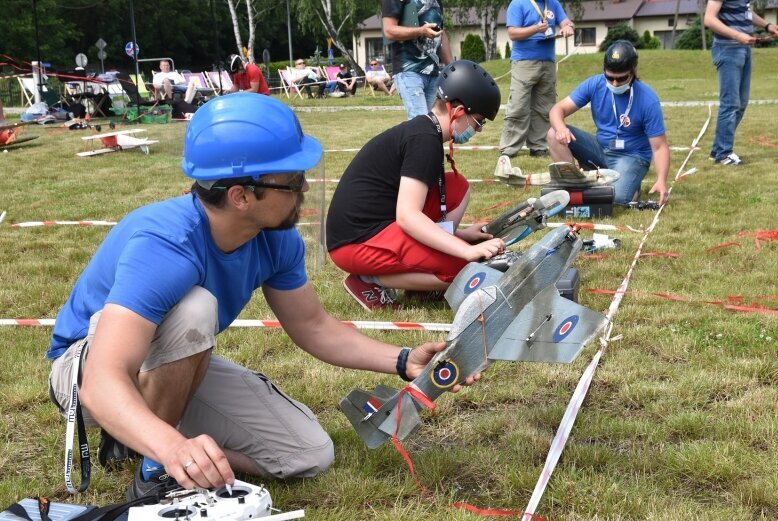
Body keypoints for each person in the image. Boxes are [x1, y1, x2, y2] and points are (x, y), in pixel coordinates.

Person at [46, 93, 477, 499]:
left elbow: (314, 326)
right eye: (291, 180)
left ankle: (138, 434)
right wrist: (171, 448)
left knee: (307, 455)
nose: (304, 188)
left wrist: (404, 360)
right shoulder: (166, 243)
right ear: (240, 196)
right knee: (196, 309)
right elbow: (104, 379)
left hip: (161, 361)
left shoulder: (275, 238)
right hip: (84, 372)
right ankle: (153, 468)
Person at [326, 60, 506, 311]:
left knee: (457, 187)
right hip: (356, 241)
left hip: (372, 226)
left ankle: (418, 276)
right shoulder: (424, 141)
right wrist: (464, 251)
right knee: (463, 269)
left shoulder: (425, 132)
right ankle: (369, 280)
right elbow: (408, 216)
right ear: (459, 111)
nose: (477, 130)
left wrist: (459, 235)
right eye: (478, 122)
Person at [547, 41, 670, 206]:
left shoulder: (648, 100)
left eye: (621, 79)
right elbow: (557, 109)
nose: (614, 83)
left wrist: (661, 180)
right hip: (601, 149)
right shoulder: (595, 84)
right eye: (609, 77)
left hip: (632, 156)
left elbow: (660, 146)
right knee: (553, 133)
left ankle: (627, 186)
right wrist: (561, 128)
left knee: (617, 199)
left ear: (633, 71)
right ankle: (574, 185)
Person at [496, 0, 574, 179]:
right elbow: (512, 33)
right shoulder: (518, 4)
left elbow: (566, 21)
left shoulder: (553, 3)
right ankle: (509, 149)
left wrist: (567, 27)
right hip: (524, 61)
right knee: (518, 105)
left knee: (545, 106)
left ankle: (539, 146)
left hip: (548, 61)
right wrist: (535, 29)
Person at [704, 1, 778, 165]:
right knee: (730, 104)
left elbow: (746, 12)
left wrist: (767, 26)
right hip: (728, 48)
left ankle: (718, 149)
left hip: (744, 49)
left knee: (741, 103)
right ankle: (724, 154)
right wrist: (737, 35)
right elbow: (709, 19)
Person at [382, 0, 453, 119]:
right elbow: (389, 30)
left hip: (433, 73)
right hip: (409, 71)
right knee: (421, 123)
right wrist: (421, 31)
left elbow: (441, 33)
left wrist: (452, 67)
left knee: (434, 125)